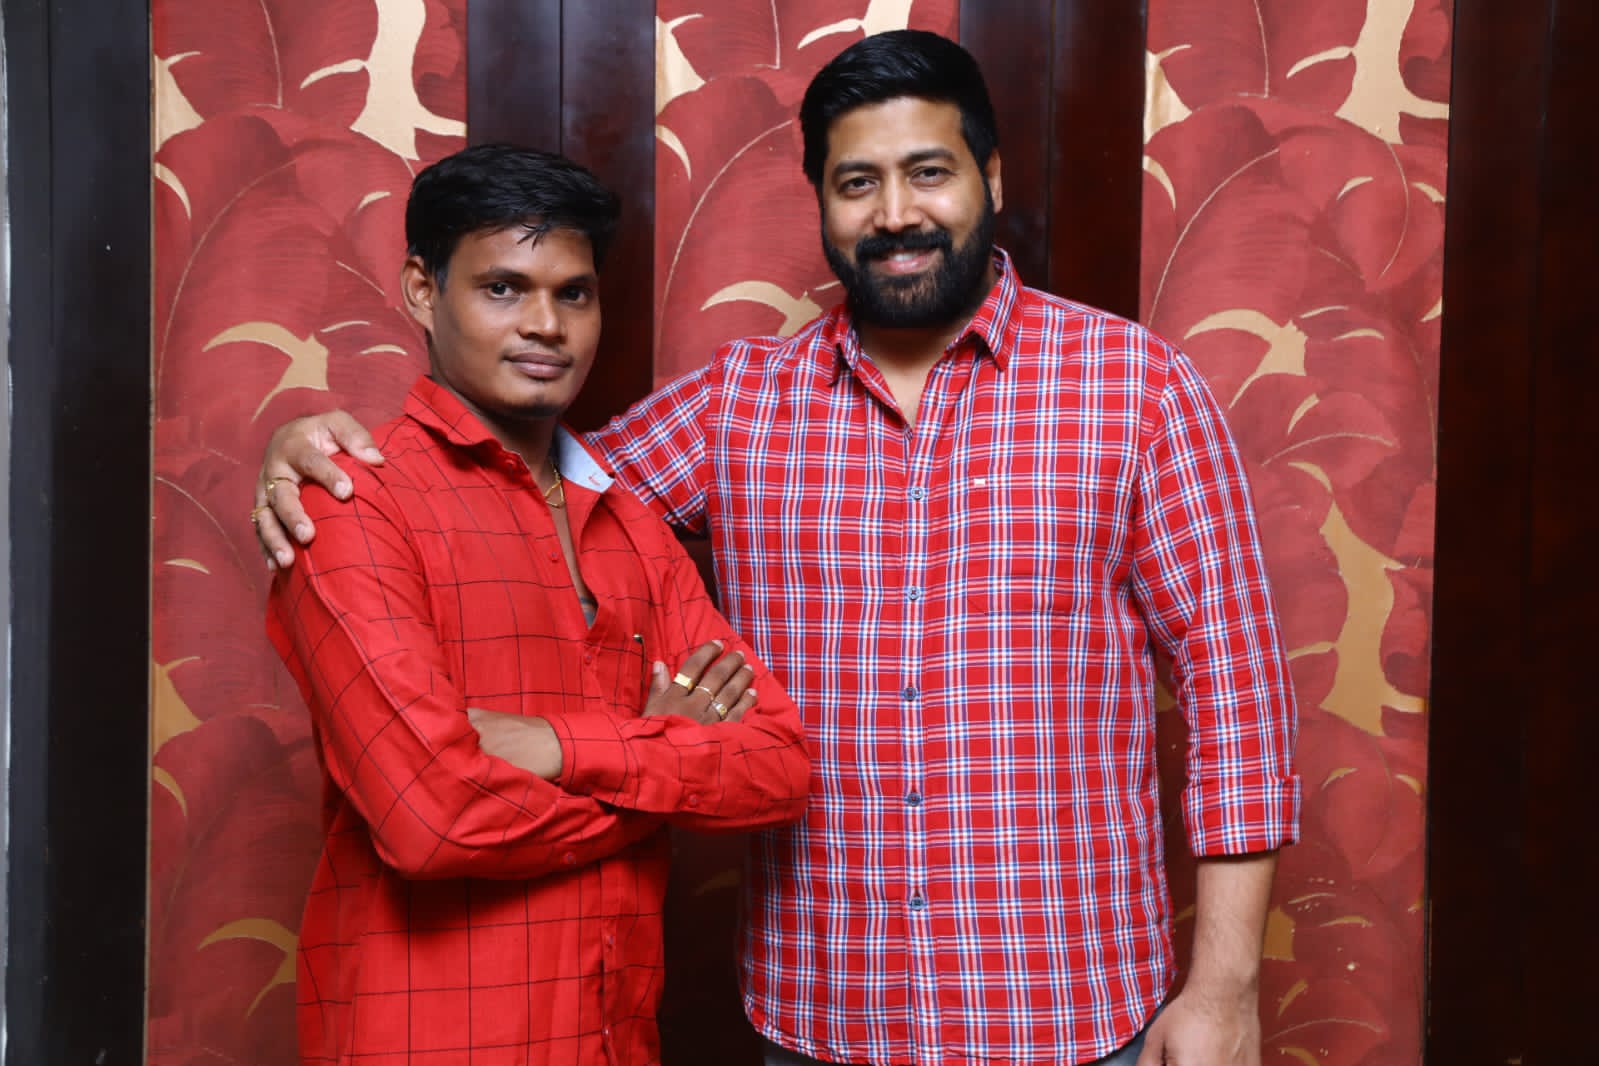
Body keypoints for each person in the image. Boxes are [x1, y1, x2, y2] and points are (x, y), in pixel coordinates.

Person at [256, 31, 1299, 1066]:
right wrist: (317, 450)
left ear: (988, 177)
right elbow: (524, 473)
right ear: (822, 204)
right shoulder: (739, 405)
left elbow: (1237, 690)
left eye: (927, 172)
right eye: (857, 183)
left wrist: (1224, 991)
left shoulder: (1136, 389)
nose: (895, 214)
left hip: (1066, 1011)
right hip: (820, 1014)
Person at [263, 143, 811, 1066]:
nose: (547, 326)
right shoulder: (353, 504)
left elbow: (777, 765)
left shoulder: (631, 524)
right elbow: (432, 821)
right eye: (503, 289)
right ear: (422, 291)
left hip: (613, 1035)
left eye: (574, 294)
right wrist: (659, 762)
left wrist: (554, 747)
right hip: (429, 1043)